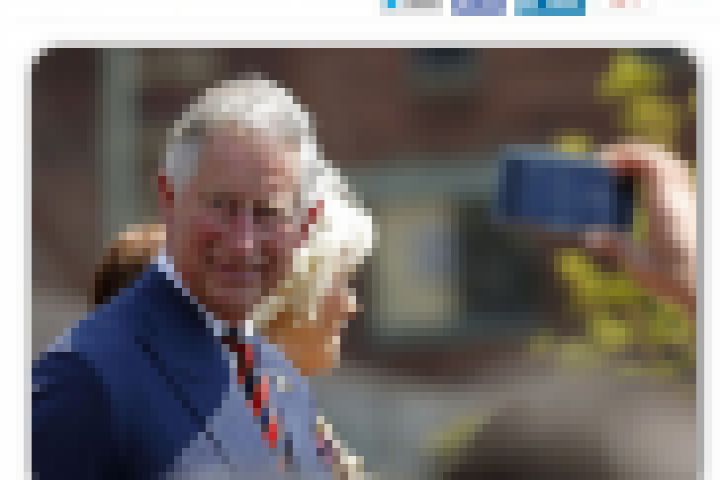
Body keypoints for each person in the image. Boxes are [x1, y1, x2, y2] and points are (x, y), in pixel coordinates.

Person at [33, 77, 374, 479]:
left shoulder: (283, 384)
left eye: (267, 213)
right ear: (169, 198)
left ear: (305, 225)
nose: (243, 243)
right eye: (222, 207)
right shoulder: (89, 377)